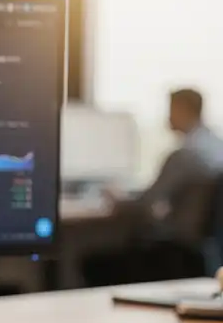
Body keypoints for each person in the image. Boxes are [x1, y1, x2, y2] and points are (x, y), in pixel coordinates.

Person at [82, 89, 223, 286]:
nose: (167, 117)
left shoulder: (184, 155)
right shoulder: (216, 147)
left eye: (171, 109)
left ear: (183, 110)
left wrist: (117, 199)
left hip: (178, 253)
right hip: (207, 252)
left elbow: (147, 202)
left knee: (92, 263)